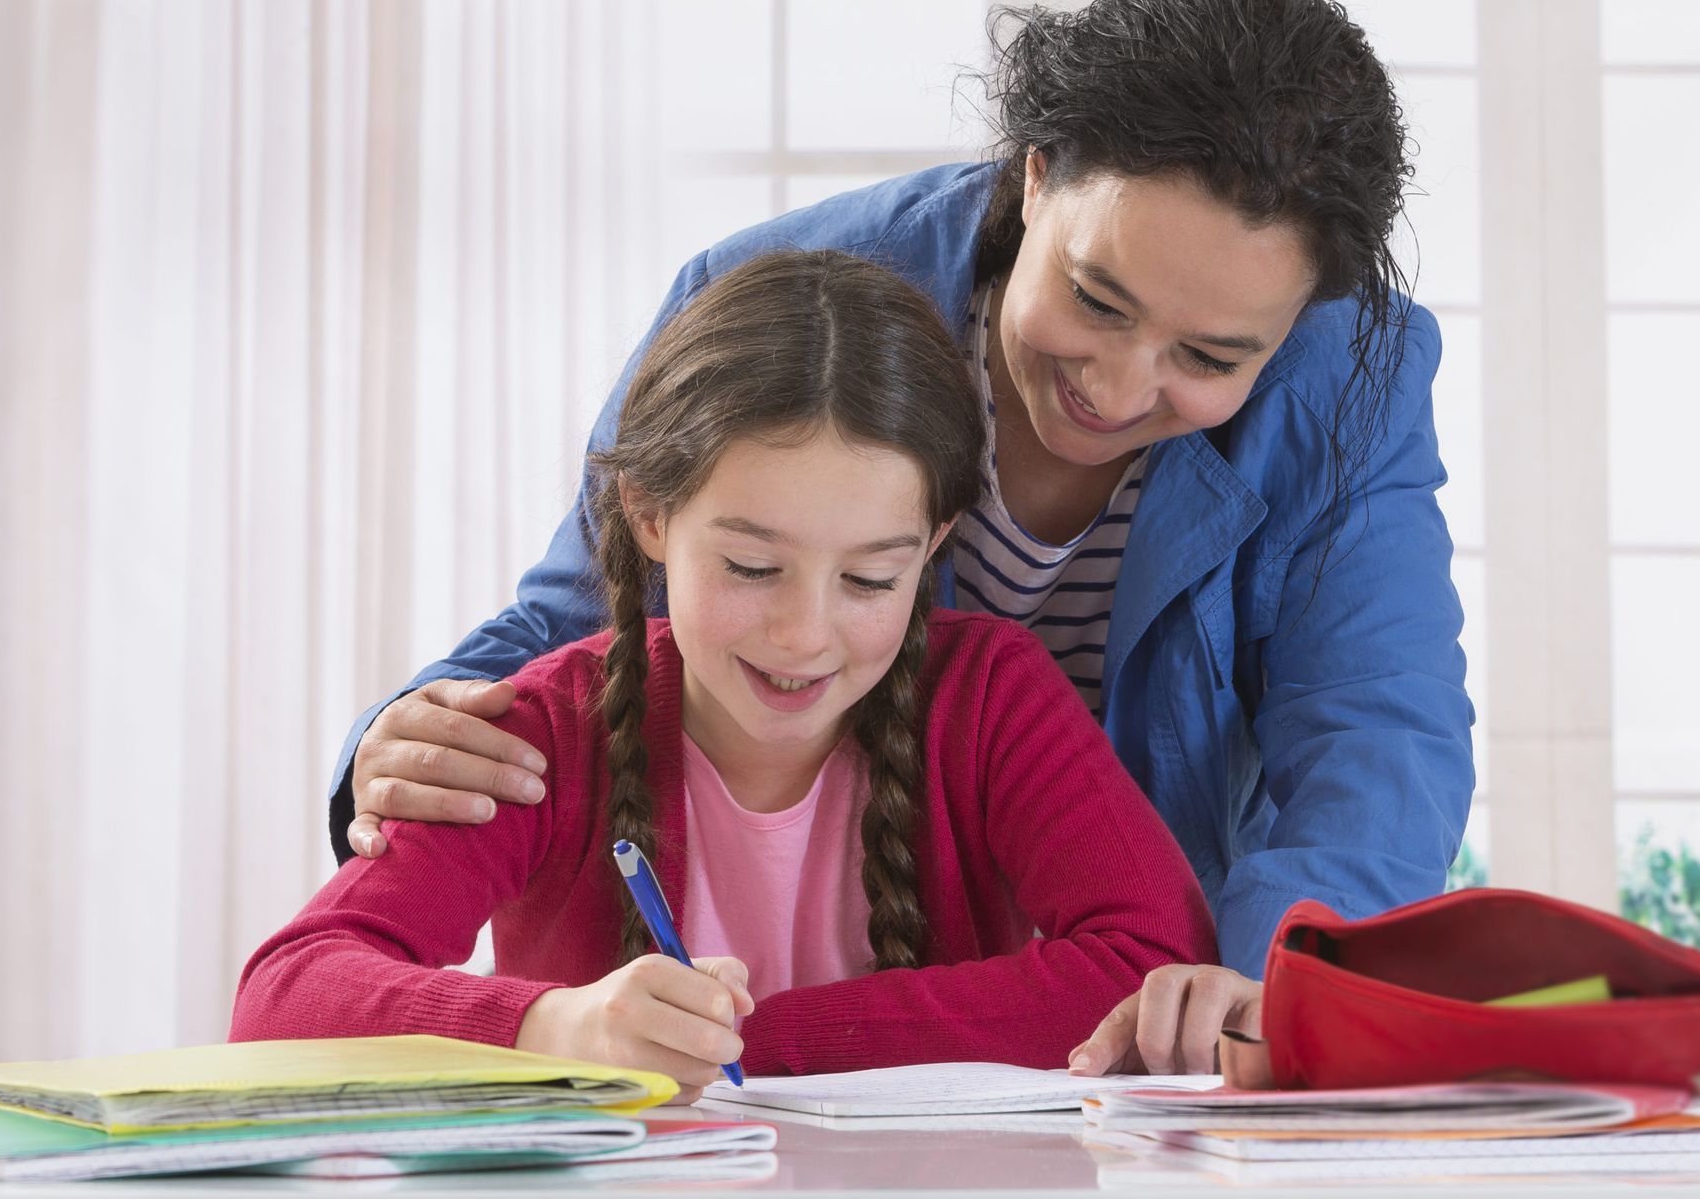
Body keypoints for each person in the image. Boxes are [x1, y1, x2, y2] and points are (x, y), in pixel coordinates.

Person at [324, 0, 1474, 1076]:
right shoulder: (788, 302)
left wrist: (1275, 979)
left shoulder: (1349, 386)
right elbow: (594, 611)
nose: (1120, 389)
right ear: (1036, 179)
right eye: (1094, 297)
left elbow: (1376, 728)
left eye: (1211, 357)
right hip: (863, 1017)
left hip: (1106, 1001)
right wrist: (403, 746)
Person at [234, 251, 1217, 1097]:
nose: (804, 635)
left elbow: (1156, 959)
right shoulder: (546, 729)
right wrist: (559, 1029)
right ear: (650, 515)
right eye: (751, 566)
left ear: (933, 545)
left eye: (871, 578)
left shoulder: (991, 697)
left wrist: (751, 1042)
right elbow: (282, 999)